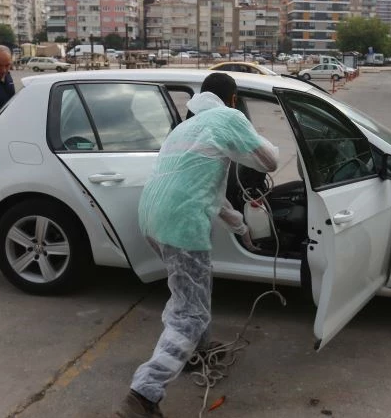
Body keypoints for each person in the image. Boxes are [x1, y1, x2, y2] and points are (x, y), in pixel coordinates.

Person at [114, 73, 278, 418]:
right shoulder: (227, 118)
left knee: (191, 295)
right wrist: (244, 128)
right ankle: (143, 393)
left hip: (152, 220)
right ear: (232, 99)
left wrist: (242, 227)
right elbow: (269, 161)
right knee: (190, 312)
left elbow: (214, 197)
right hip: (182, 224)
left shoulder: (185, 128)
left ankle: (195, 353)